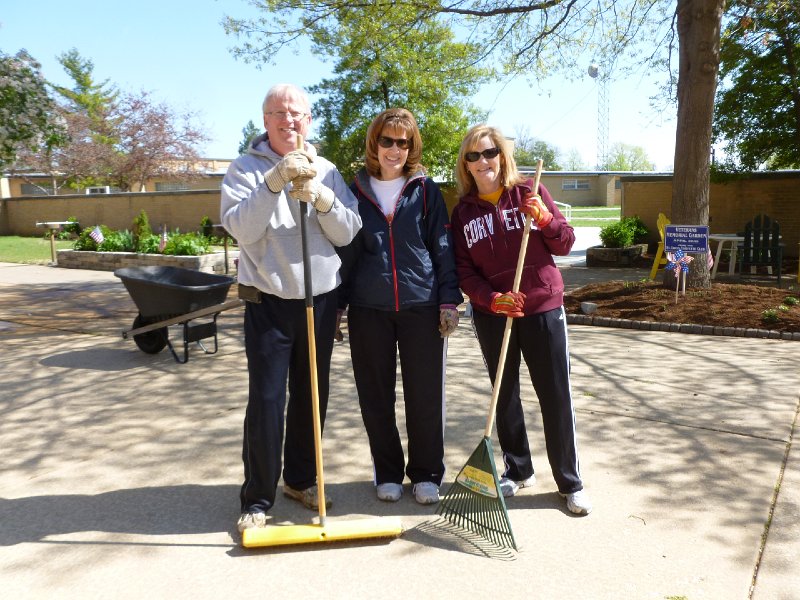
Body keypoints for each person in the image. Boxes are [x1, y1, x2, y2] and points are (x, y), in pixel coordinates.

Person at [220, 83, 362, 532]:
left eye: (297, 113)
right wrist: (275, 182)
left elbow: (348, 231)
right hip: (268, 302)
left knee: (311, 396)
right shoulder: (244, 169)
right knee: (266, 401)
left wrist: (321, 198)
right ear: (265, 121)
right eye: (279, 113)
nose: (289, 121)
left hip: (319, 301)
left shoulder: (329, 170)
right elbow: (241, 228)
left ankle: (301, 480)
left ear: (309, 120)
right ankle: (258, 497)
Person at [449, 124, 592, 516]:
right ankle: (518, 469)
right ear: (466, 164)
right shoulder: (463, 213)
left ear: (502, 155)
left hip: (542, 306)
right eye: (474, 156)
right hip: (494, 313)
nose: (483, 162)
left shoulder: (529, 191)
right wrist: (491, 299)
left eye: (490, 152)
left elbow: (565, 241)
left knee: (555, 394)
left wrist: (545, 219)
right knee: (505, 394)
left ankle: (570, 481)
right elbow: (463, 270)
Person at [338, 108, 462, 505]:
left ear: (412, 147)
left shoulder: (425, 191)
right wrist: (337, 306)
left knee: (425, 395)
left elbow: (443, 248)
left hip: (421, 306)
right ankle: (387, 471)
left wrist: (448, 300)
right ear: (375, 143)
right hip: (368, 308)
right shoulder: (353, 192)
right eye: (387, 140)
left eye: (403, 142)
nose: (394, 149)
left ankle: (426, 473)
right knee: (375, 396)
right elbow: (344, 254)